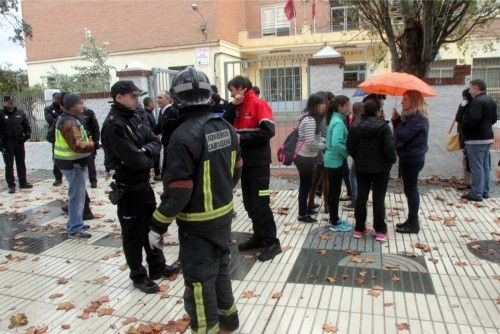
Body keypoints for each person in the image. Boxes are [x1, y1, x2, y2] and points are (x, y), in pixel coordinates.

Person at [148, 66, 242, 334]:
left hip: (197, 224)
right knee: (221, 271)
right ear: (208, 95)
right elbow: (236, 170)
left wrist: (157, 224)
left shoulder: (182, 136)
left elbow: (179, 191)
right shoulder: (226, 128)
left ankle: (206, 329)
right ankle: (229, 322)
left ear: (177, 100)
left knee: (199, 283)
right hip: (223, 216)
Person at [101, 80, 179, 293]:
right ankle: (138, 275)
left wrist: (143, 151)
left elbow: (156, 142)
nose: (137, 99)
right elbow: (135, 160)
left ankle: (158, 265)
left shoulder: (138, 116)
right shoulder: (113, 124)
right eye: (133, 96)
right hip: (127, 189)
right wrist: (146, 153)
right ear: (119, 97)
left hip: (143, 186)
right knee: (133, 235)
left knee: (153, 227)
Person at [226, 75, 281, 261]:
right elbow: (224, 124)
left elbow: (268, 131)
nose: (231, 95)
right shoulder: (238, 107)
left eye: (232, 90)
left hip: (259, 166)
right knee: (249, 204)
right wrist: (233, 105)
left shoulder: (259, 104)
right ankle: (259, 237)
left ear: (241, 88)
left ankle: (272, 242)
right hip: (245, 165)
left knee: (261, 203)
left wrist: (243, 139)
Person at [347, 100, 396, 242]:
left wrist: (357, 157)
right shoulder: (384, 127)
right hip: (381, 169)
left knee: (361, 197)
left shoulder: (355, 125)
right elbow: (389, 150)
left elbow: (349, 146)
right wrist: (390, 161)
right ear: (378, 111)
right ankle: (380, 230)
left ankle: (359, 228)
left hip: (361, 168)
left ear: (363, 111)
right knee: (378, 198)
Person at [53, 93, 96, 238]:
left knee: (78, 195)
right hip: (73, 163)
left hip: (72, 163)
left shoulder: (69, 119)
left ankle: (75, 222)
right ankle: (75, 228)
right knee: (76, 197)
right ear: (72, 106)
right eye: (80, 103)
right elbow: (77, 145)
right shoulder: (69, 122)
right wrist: (95, 145)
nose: (83, 105)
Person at [392, 90, 429, 234]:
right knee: (409, 190)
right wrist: (398, 121)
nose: (402, 102)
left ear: (413, 102)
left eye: (405, 100)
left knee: (411, 190)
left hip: (413, 159)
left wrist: (396, 123)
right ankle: (411, 220)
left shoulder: (417, 119)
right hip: (408, 157)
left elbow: (403, 136)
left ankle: (414, 224)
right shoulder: (410, 117)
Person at [461, 79, 497, 201]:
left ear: (476, 88)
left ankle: (476, 194)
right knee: (485, 166)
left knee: (476, 167)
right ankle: (484, 191)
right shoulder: (491, 99)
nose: (469, 91)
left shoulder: (477, 101)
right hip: (487, 137)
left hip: (475, 139)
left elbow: (473, 120)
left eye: (470, 88)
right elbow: (493, 119)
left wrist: (463, 124)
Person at [294, 93, 327, 223]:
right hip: (304, 157)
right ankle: (302, 214)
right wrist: (322, 145)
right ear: (315, 105)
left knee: (306, 185)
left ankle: (306, 208)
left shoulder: (310, 117)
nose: (325, 106)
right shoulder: (310, 120)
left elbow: (313, 137)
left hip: (306, 156)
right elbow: (310, 143)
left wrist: (321, 140)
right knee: (305, 186)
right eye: (322, 103)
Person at [324, 95, 352, 232]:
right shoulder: (339, 122)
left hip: (332, 159)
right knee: (335, 192)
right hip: (335, 160)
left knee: (333, 191)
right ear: (340, 106)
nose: (350, 107)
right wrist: (347, 152)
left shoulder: (335, 119)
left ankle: (333, 218)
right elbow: (336, 143)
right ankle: (334, 222)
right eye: (348, 105)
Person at [308, 91, 334, 213]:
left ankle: (311, 201)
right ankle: (327, 205)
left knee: (316, 178)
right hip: (323, 149)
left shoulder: (313, 116)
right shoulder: (324, 117)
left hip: (317, 150)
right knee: (325, 179)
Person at [0, 96, 33, 193]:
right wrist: (1, 145)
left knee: (21, 163)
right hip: (7, 143)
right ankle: (11, 185)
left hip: (19, 142)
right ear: (4, 103)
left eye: (12, 101)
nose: (10, 103)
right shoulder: (1, 114)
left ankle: (23, 182)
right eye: (8, 102)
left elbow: (27, 127)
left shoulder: (20, 113)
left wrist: (25, 137)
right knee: (9, 165)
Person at [343, 101, 365, 211]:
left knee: (353, 177)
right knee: (357, 178)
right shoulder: (365, 121)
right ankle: (357, 200)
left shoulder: (355, 123)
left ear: (355, 110)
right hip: (363, 155)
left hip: (358, 155)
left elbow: (352, 140)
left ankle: (355, 202)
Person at [155, 91, 179, 179]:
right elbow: (159, 127)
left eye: (160, 98)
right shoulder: (162, 111)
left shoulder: (172, 112)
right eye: (157, 97)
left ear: (168, 100)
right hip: (166, 142)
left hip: (172, 144)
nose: (157, 100)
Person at [454, 89, 473, 190]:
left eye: (464, 97)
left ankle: (471, 183)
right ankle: (467, 182)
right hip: (465, 137)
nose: (463, 99)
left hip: (469, 138)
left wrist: (463, 105)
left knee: (469, 161)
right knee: (466, 160)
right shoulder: (465, 105)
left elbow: (459, 119)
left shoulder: (473, 106)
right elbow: (458, 118)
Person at [44, 91, 64, 186]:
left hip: (66, 134)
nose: (57, 100)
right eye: (55, 98)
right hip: (56, 136)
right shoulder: (48, 109)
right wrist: (63, 119)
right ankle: (58, 178)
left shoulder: (64, 107)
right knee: (56, 158)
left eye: (58, 98)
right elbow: (51, 120)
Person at [80, 106, 100, 188]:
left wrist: (96, 143)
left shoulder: (89, 113)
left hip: (89, 142)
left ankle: (93, 181)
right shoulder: (71, 114)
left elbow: (95, 128)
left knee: (90, 162)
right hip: (77, 143)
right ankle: (80, 183)